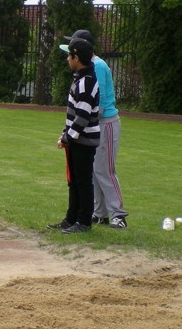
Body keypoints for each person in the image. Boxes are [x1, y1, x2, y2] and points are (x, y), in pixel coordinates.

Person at [59, 30, 128, 230]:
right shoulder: (90, 67)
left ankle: (118, 215)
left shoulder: (97, 66)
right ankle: (99, 213)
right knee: (93, 170)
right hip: (94, 124)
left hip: (106, 123)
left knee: (105, 170)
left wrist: (81, 128)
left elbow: (99, 102)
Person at [46, 33, 100, 234]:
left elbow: (83, 116)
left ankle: (84, 221)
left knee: (83, 182)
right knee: (74, 181)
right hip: (77, 139)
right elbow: (74, 114)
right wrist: (66, 133)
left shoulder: (86, 82)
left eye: (69, 56)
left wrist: (68, 137)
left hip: (84, 141)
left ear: (76, 58)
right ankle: (71, 218)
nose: (67, 59)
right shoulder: (81, 79)